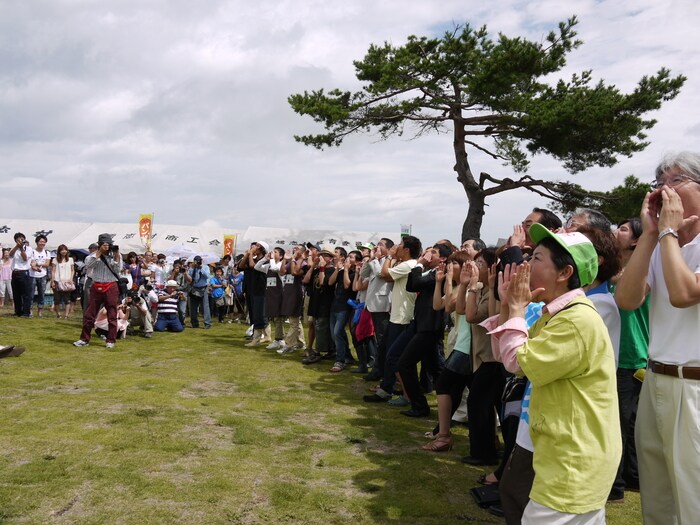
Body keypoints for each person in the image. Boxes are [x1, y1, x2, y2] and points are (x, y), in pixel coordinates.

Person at [485, 224, 620, 523]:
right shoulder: (558, 315)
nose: (526, 263)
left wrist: (518, 308)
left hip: (573, 460)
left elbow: (516, 361)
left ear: (564, 273)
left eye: (537, 258)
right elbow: (504, 354)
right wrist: (509, 305)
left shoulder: (575, 320)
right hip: (567, 454)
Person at [615, 151, 700, 525]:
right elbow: (628, 299)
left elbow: (684, 295)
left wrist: (665, 232)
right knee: (658, 497)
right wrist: (650, 234)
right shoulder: (661, 242)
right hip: (655, 380)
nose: (664, 191)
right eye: (659, 184)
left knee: (693, 499)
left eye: (676, 180)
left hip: (694, 388)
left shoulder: (678, 242)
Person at [73, 234, 123, 349]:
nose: (107, 247)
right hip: (96, 284)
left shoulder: (115, 255)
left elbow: (118, 270)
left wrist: (116, 257)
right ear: (99, 245)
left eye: (108, 244)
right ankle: (84, 339)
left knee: (111, 313)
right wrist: (99, 253)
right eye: (104, 244)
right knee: (89, 314)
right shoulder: (92, 256)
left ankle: (111, 340)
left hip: (111, 285)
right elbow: (89, 265)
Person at [9, 232, 34, 317]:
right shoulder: (14, 249)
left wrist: (22, 249)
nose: (20, 240)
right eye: (18, 239)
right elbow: (10, 255)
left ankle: (26, 312)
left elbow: (25, 258)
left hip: (24, 272)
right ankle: (18, 311)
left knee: (26, 294)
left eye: (21, 238)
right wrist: (17, 246)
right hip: (15, 272)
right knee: (16, 294)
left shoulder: (29, 248)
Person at [186, 255, 212, 329]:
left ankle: (207, 323)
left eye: (199, 261)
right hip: (194, 288)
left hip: (203, 288)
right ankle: (194, 323)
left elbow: (207, 276)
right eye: (196, 261)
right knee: (193, 307)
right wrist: (192, 268)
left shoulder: (205, 267)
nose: (197, 262)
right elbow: (190, 278)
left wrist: (201, 268)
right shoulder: (192, 268)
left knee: (205, 307)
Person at [29, 235, 51, 317]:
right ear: (37, 242)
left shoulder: (47, 252)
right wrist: (35, 266)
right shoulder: (32, 252)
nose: (42, 243)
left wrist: (38, 263)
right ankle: (30, 310)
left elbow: (47, 264)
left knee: (42, 294)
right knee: (31, 294)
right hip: (32, 275)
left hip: (43, 275)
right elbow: (32, 263)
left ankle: (40, 311)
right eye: (41, 241)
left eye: (44, 242)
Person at [51, 244, 75, 319]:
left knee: (67, 299)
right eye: (62, 250)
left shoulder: (70, 259)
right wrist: (52, 281)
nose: (63, 251)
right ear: (59, 251)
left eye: (65, 250)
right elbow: (53, 271)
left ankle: (66, 315)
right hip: (57, 281)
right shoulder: (55, 260)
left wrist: (71, 279)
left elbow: (72, 270)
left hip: (67, 281)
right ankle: (58, 314)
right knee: (57, 299)